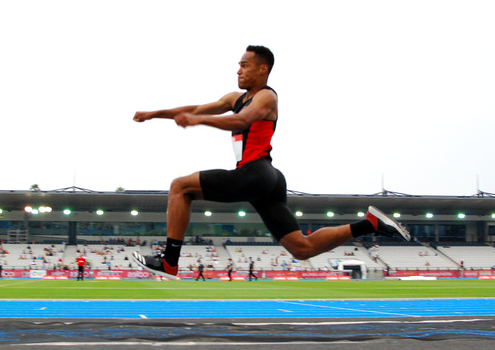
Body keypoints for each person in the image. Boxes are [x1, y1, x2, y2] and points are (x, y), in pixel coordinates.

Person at [132, 45, 410, 280]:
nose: (238, 70)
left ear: (262, 69)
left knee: (180, 186)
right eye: (238, 65)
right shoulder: (234, 98)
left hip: (256, 173)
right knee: (302, 249)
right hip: (268, 180)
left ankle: (169, 261)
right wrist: (154, 114)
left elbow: (242, 120)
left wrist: (198, 121)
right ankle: (371, 224)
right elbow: (193, 108)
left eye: (244, 65)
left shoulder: (267, 96)